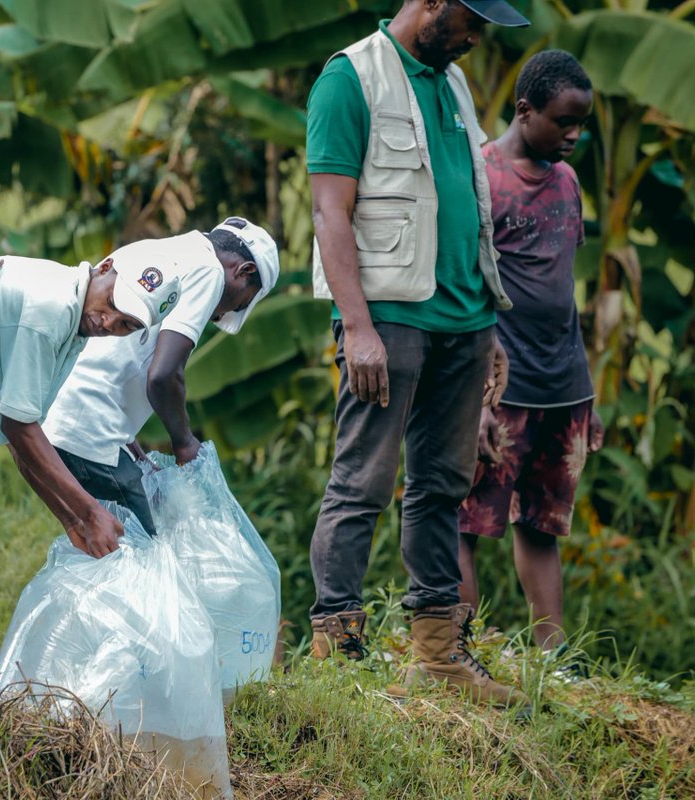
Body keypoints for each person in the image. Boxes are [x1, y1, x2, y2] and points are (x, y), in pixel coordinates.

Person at [305, 0, 531, 707]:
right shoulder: (351, 78)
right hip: (390, 321)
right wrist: (357, 325)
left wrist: (489, 323)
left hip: (465, 321)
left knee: (442, 486)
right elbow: (328, 211)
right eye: (469, 19)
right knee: (361, 484)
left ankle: (437, 653)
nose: (474, 37)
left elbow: (466, 208)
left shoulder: (453, 82)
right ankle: (335, 653)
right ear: (430, 2)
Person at [0, 256, 183, 681]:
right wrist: (90, 512)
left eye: (125, 325)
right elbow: (20, 427)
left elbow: (18, 432)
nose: (108, 321)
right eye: (114, 303)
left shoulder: (73, 317)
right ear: (104, 269)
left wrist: (70, 518)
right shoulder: (50, 308)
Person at [458, 51, 600, 653]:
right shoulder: (484, 180)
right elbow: (465, 288)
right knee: (463, 519)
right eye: (563, 122)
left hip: (563, 386)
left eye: (581, 124)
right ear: (524, 110)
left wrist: (587, 393)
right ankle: (456, 648)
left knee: (542, 526)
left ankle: (553, 658)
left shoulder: (567, 181)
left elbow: (563, 294)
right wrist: (476, 398)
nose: (574, 136)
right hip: (502, 389)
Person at [42, 218, 279, 535]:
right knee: (155, 546)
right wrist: (185, 444)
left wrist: (134, 451)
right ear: (244, 271)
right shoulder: (208, 271)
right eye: (243, 301)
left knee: (114, 551)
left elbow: (114, 359)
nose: (224, 314)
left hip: (63, 417)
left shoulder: (166, 250)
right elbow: (164, 376)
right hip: (87, 432)